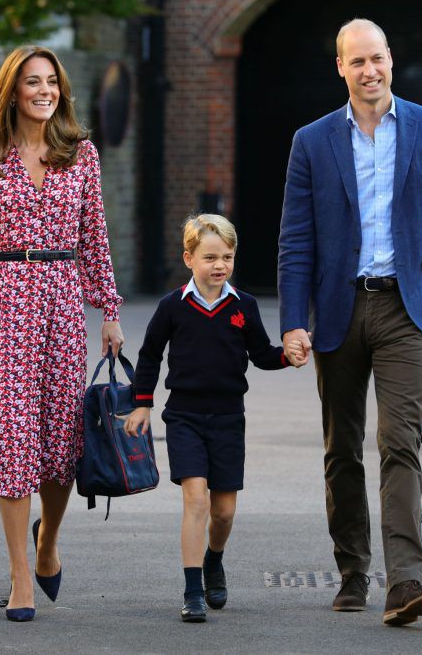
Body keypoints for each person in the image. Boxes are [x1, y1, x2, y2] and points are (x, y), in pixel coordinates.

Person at [278, 18, 422, 626]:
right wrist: (293, 321)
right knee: (342, 447)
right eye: (357, 61)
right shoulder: (311, 142)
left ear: (391, 60)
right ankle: (351, 569)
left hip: (406, 307)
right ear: (340, 68)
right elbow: (295, 241)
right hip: (337, 310)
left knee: (400, 442)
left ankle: (405, 582)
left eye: (378, 59)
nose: (370, 71)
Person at [0, 46, 124, 622]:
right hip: (12, 300)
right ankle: (19, 573)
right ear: (11, 93)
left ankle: (47, 544)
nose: (45, 91)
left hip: (65, 300)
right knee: (15, 438)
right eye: (32, 82)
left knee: (62, 446)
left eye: (52, 82)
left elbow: (95, 237)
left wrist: (108, 310)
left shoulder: (81, 155)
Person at [124, 214, 297, 623]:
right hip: (183, 416)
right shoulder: (172, 307)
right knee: (195, 499)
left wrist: (286, 357)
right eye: (210, 257)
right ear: (189, 258)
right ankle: (191, 590)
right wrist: (143, 402)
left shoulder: (244, 306)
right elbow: (149, 355)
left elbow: (261, 354)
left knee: (223, 513)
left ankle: (214, 559)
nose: (219, 265)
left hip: (227, 419)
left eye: (227, 257)